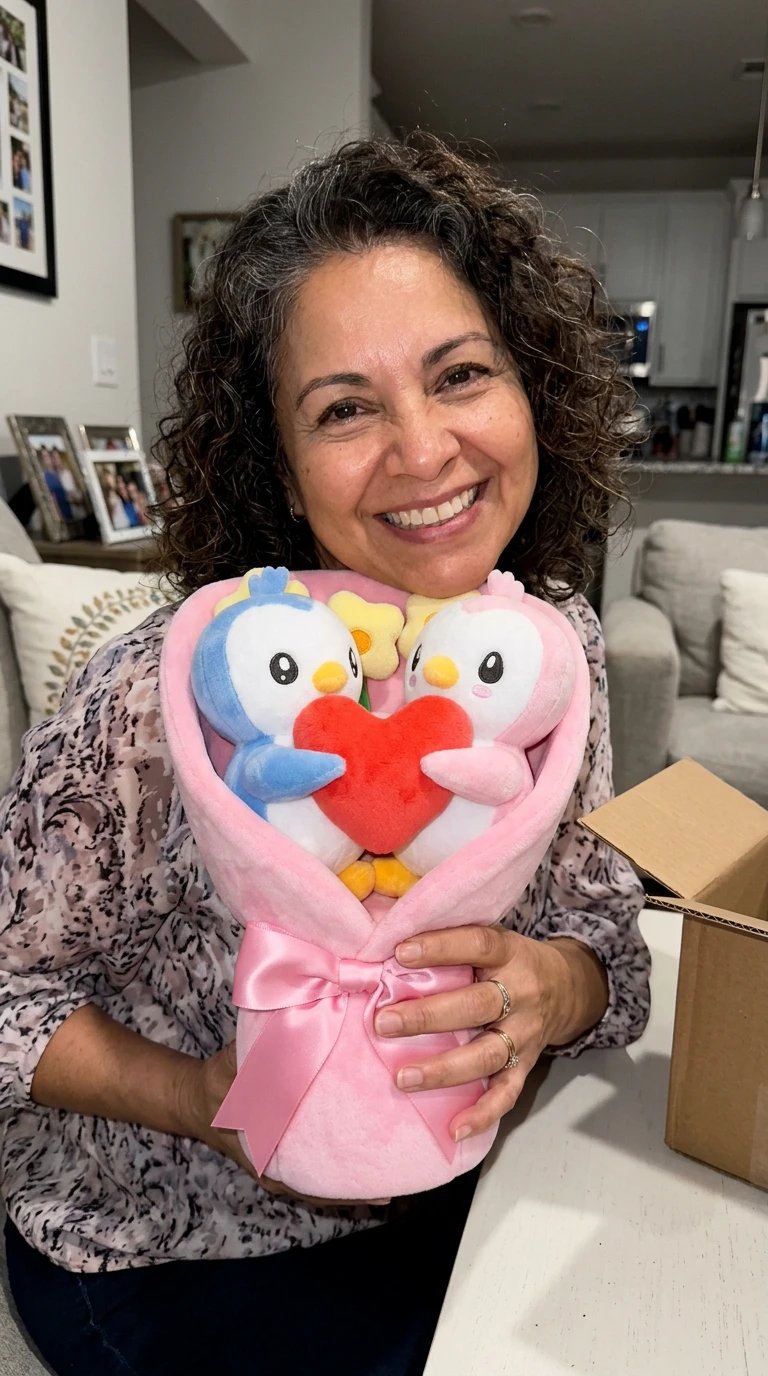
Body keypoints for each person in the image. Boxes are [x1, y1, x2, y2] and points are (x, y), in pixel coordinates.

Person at [0, 137, 651, 1376]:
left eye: (460, 374)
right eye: (346, 408)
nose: (422, 451)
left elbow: (610, 947)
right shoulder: (161, 692)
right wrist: (208, 1096)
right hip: (157, 1241)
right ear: (281, 464)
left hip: (441, 1178)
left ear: (533, 394)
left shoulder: (548, 649)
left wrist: (542, 993)